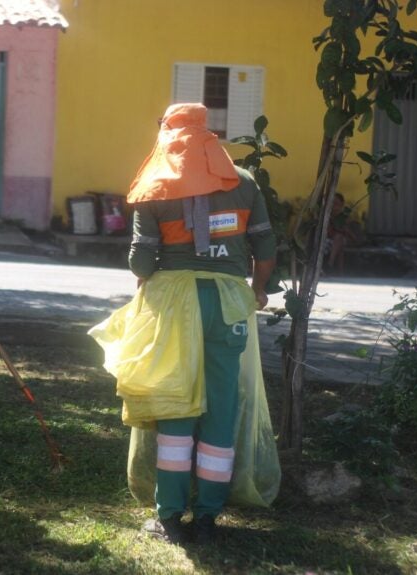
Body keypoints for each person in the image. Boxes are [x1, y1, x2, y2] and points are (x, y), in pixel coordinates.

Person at [89, 103, 276, 546]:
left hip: (173, 305)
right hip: (229, 304)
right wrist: (259, 289)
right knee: (220, 408)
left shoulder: (155, 186)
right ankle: (209, 516)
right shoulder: (244, 183)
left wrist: (149, 275)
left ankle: (170, 516)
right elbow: (265, 246)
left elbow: (141, 258)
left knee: (174, 403)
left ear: (167, 134)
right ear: (206, 133)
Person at [325, 192, 357, 275]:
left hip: (346, 240)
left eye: (336, 203)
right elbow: (328, 233)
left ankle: (330, 264)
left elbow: (352, 235)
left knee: (339, 238)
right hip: (331, 242)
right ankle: (338, 270)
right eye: (332, 203)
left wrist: (343, 229)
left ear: (342, 204)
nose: (334, 206)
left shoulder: (346, 217)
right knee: (339, 243)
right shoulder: (327, 216)